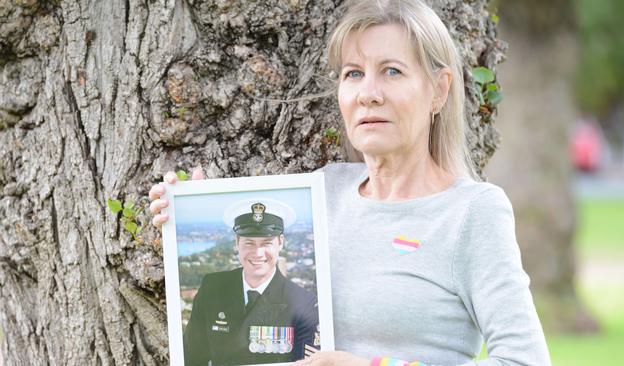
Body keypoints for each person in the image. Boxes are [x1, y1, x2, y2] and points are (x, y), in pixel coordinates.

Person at [149, 0, 552, 365]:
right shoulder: (324, 191)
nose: (368, 94)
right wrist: (188, 208)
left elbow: (526, 361)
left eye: (392, 71)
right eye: (353, 73)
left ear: (438, 90)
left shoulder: (470, 212)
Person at [182, 199, 319, 366]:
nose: (258, 253)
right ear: (237, 243)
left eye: (266, 243)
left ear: (280, 242)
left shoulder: (303, 304)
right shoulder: (212, 287)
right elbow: (191, 357)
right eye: (249, 243)